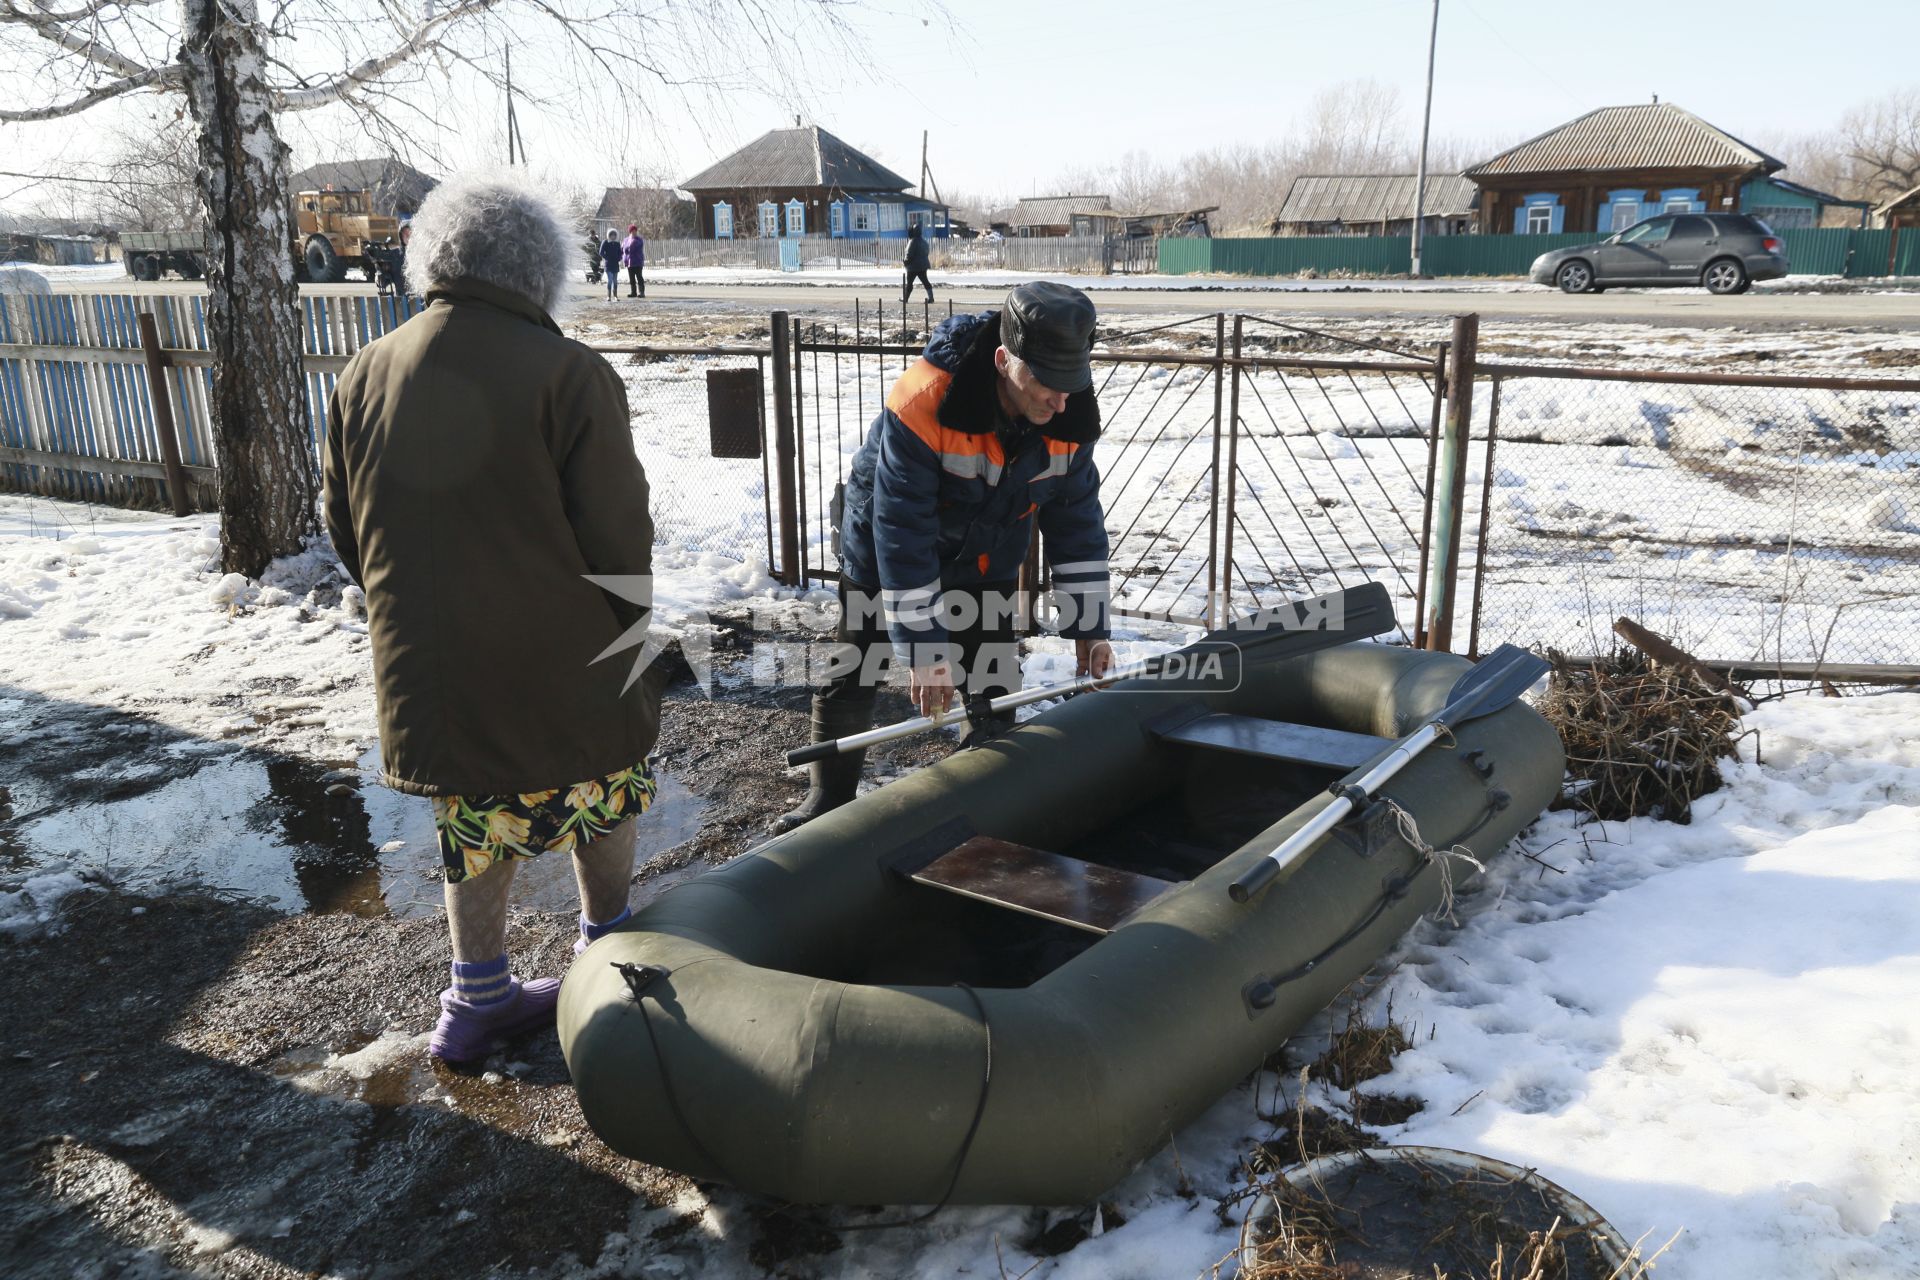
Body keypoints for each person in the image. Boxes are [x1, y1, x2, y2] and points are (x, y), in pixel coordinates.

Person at [322, 173, 662, 1065]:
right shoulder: (569, 373)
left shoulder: (365, 371)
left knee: (477, 814)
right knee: (605, 781)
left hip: (434, 668)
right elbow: (618, 535)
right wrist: (633, 630)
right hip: (568, 656)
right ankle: (606, 949)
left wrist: (412, 613)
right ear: (540, 272)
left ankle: (476, 1000)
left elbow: (345, 527)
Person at [773, 281, 1114, 833]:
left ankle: (982, 802)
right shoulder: (923, 400)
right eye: (1048, 385)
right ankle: (828, 801)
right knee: (856, 666)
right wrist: (927, 648)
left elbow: (1076, 520)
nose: (1061, 400)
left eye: (1072, 384)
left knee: (993, 677)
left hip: (987, 554)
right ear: (1004, 362)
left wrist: (1089, 628)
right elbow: (902, 530)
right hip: (888, 549)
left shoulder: (1068, 408)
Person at [902, 222, 933, 305]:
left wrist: (906, 262)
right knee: (925, 281)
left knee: (909, 283)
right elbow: (926, 252)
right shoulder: (924, 241)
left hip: (913, 267)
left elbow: (909, 253)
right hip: (923, 266)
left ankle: (905, 299)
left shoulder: (912, 241)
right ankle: (931, 298)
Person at [621, 223, 646, 298]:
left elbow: (635, 247)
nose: (634, 232)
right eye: (632, 231)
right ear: (630, 231)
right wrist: (624, 257)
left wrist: (629, 245)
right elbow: (622, 249)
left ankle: (642, 292)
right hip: (629, 262)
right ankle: (633, 292)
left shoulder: (639, 240)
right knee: (631, 279)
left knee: (639, 277)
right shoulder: (626, 240)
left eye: (635, 231)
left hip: (638, 262)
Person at [598, 229, 622, 301]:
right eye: (611, 235)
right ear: (609, 235)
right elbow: (601, 252)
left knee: (615, 281)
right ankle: (608, 296)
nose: (613, 236)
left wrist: (619, 258)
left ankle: (615, 295)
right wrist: (607, 258)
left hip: (615, 264)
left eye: (614, 235)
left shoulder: (617, 243)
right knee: (610, 280)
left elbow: (620, 253)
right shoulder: (605, 242)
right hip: (608, 264)